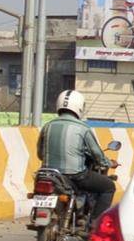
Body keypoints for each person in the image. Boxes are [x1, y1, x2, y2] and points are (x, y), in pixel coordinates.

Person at [37, 90, 117, 224]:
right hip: (75, 175)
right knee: (109, 186)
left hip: (49, 174)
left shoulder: (47, 126)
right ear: (80, 107)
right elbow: (97, 155)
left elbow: (40, 154)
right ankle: (95, 224)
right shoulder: (83, 128)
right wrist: (109, 163)